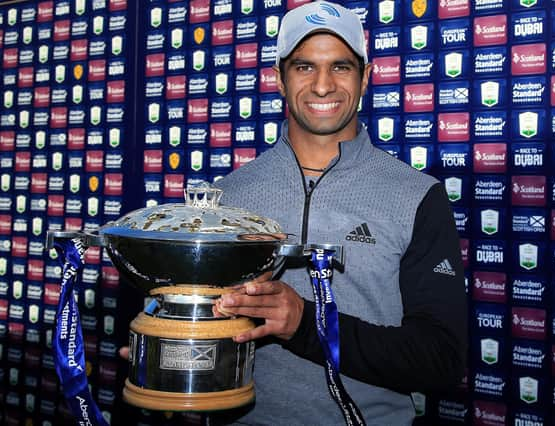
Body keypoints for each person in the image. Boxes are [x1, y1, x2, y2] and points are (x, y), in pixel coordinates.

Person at [124, 2, 467, 424]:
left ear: (366, 78)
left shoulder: (417, 196)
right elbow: (206, 322)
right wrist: (169, 348)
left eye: (341, 66)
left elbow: (441, 360)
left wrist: (306, 324)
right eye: (304, 67)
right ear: (279, 80)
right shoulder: (226, 196)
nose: (323, 86)